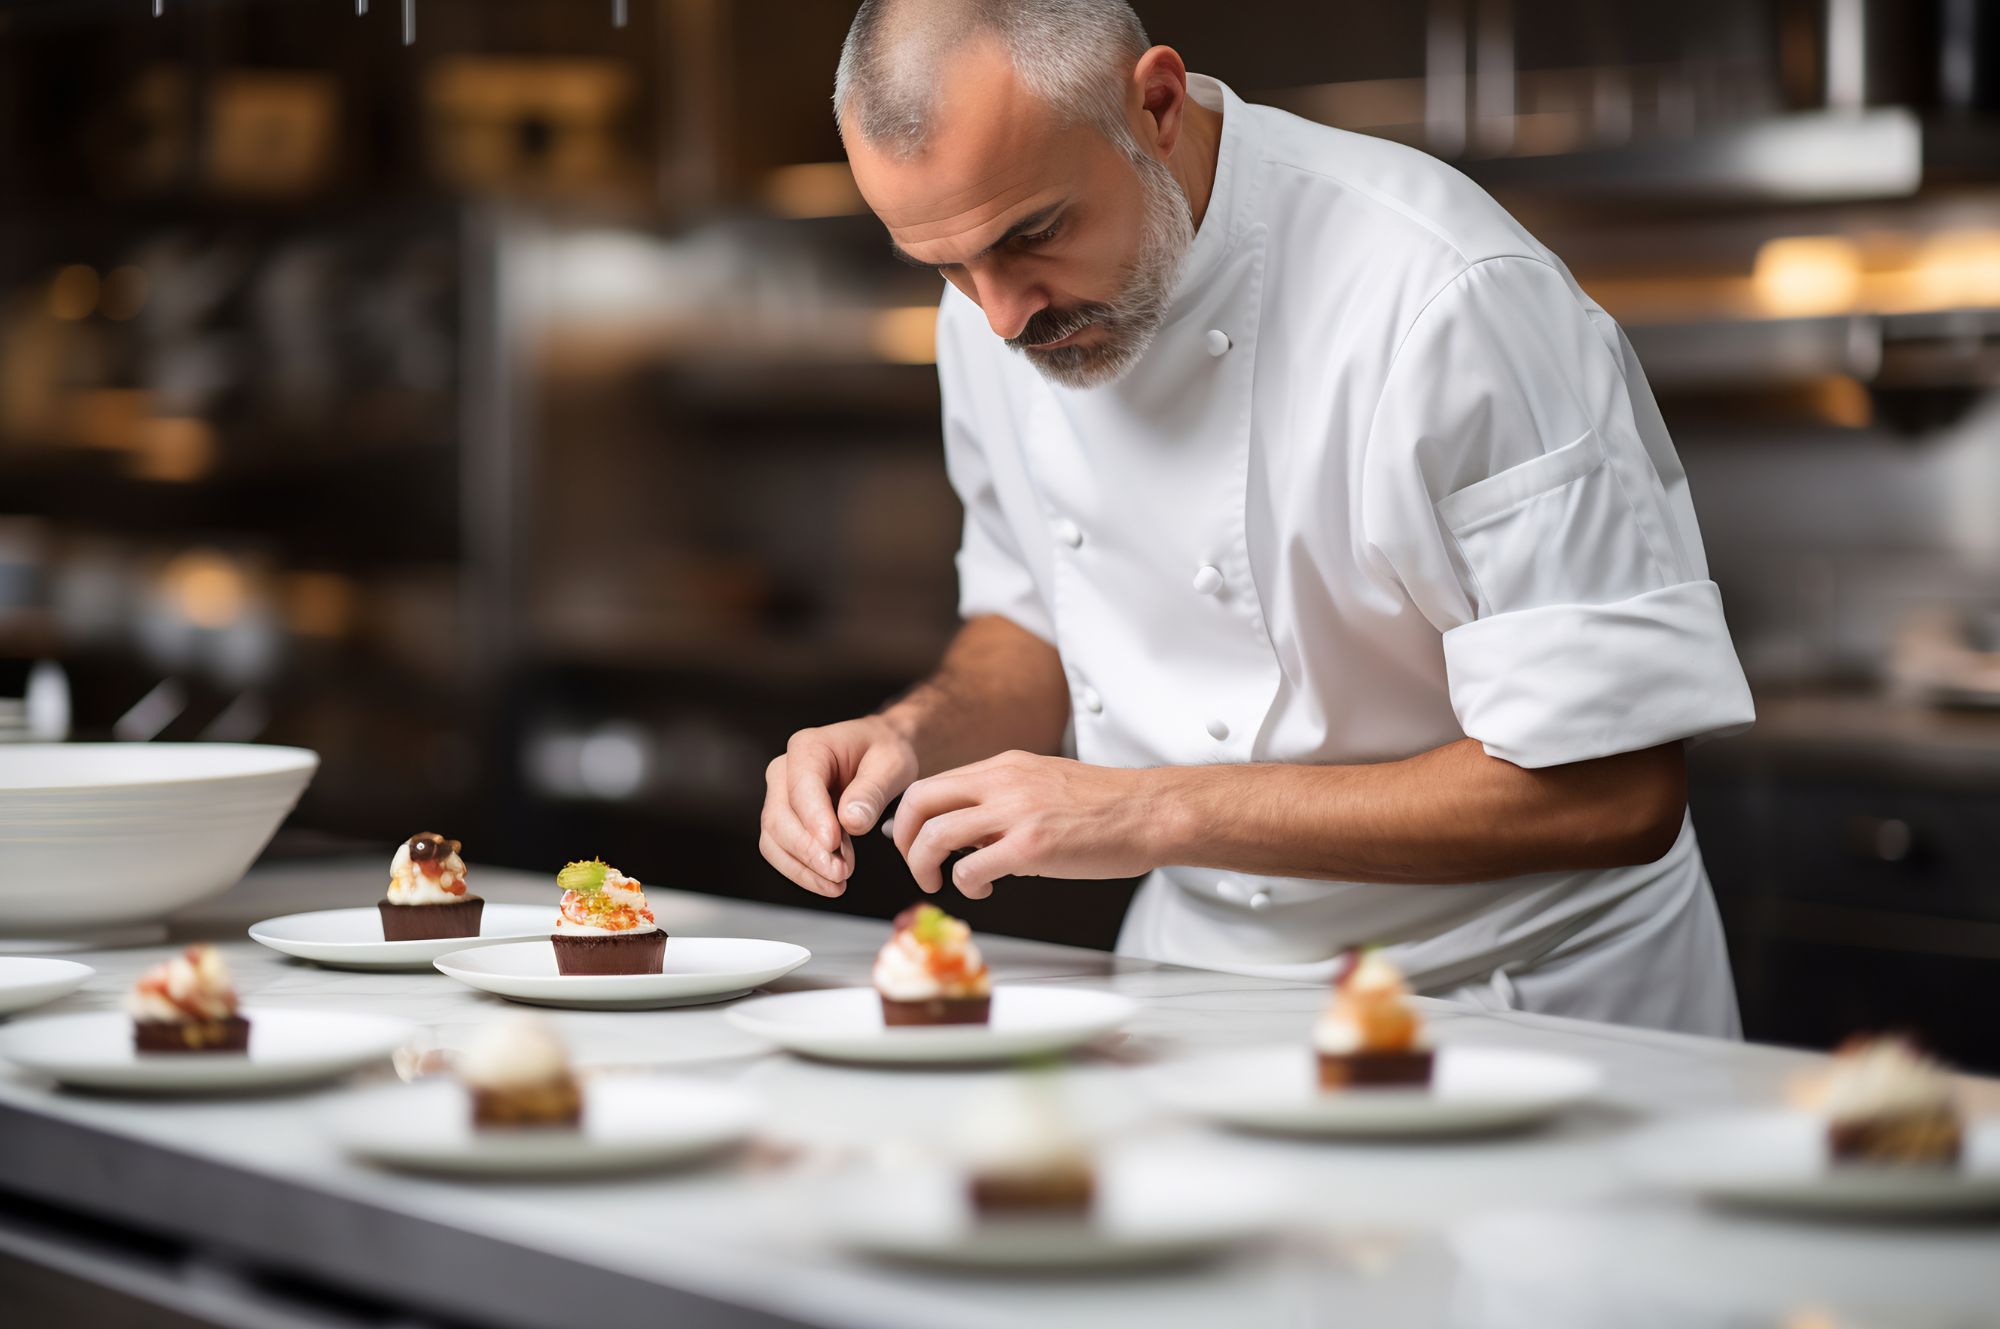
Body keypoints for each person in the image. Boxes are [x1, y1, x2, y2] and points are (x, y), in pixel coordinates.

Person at [758, 0, 1755, 1035]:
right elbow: (1033, 628)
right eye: (946, 267)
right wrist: (905, 740)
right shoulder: (992, 313)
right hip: (1195, 991)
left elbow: (1616, 791)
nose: (1002, 315)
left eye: (1033, 233)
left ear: (1153, 103)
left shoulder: (1446, 295)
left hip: (1515, 999)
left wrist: (1149, 809)